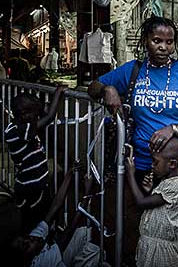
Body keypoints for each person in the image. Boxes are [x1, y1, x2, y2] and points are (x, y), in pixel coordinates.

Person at [88, 16, 178, 267]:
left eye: (169, 42)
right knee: (148, 230)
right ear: (146, 41)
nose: (163, 47)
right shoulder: (132, 71)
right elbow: (93, 86)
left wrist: (174, 129)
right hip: (148, 166)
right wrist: (107, 90)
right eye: (157, 40)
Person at [11, 163, 105, 267]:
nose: (30, 239)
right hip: (59, 254)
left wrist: (69, 173)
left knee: (84, 233)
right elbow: (70, 229)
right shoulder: (42, 262)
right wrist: (87, 192)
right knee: (94, 250)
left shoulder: (34, 237)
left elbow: (55, 206)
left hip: (60, 254)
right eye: (26, 245)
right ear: (28, 260)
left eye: (25, 237)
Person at [6, 86, 68, 232]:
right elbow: (50, 117)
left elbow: (42, 115)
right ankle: (38, 242)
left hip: (24, 184)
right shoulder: (23, 131)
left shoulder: (12, 127)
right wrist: (58, 93)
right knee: (38, 216)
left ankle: (28, 238)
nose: (37, 117)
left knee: (28, 217)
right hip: (33, 185)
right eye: (35, 115)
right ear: (24, 115)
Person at [125, 138, 178, 267]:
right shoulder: (167, 183)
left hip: (161, 251)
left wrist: (130, 174)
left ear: (172, 164)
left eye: (155, 162)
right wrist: (150, 191)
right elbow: (157, 209)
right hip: (152, 245)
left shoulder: (175, 186)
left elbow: (141, 202)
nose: (152, 165)